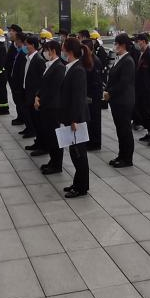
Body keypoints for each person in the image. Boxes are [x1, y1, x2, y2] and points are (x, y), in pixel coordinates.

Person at [59, 38, 92, 198]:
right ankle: (78, 182)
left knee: (79, 154)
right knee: (74, 152)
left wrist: (74, 120)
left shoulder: (78, 69)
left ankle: (81, 187)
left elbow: (78, 98)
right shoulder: (71, 67)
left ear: (69, 50)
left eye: (63, 47)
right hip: (71, 117)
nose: (62, 50)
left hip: (76, 119)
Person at [104, 34, 136, 168]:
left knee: (125, 130)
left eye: (117, 44)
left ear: (123, 45)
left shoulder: (128, 60)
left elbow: (124, 82)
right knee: (120, 130)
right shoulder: (120, 58)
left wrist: (110, 92)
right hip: (117, 101)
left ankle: (127, 158)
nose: (115, 46)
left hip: (123, 101)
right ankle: (121, 155)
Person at [34, 40, 65, 171]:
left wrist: (41, 102)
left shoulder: (59, 67)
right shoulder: (50, 65)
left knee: (54, 136)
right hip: (46, 105)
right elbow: (43, 85)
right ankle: (52, 161)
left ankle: (57, 164)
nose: (45, 53)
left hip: (53, 107)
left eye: (47, 50)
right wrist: (37, 96)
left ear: (53, 51)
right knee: (49, 135)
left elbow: (53, 90)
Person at [134, 33, 150, 146]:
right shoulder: (141, 53)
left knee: (148, 111)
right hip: (140, 87)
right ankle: (149, 132)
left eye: (138, 41)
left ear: (144, 41)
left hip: (147, 88)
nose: (136, 44)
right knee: (142, 110)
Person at [22, 36, 45, 148]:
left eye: (27, 44)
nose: (25, 46)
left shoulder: (38, 60)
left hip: (34, 95)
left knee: (37, 120)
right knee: (32, 118)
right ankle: (38, 141)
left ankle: (40, 143)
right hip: (27, 92)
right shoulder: (28, 58)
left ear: (33, 45)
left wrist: (37, 95)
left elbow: (42, 81)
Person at [82, 39, 103, 150]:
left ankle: (95, 143)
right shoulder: (85, 59)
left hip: (93, 95)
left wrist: (89, 96)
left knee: (94, 119)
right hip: (87, 94)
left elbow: (96, 81)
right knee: (88, 118)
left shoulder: (95, 61)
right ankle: (89, 140)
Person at [9, 33, 28, 130]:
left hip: (19, 84)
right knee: (18, 102)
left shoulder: (23, 53)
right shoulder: (19, 51)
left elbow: (22, 71)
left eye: (16, 40)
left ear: (19, 41)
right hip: (15, 82)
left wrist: (19, 84)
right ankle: (20, 117)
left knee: (21, 103)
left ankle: (23, 119)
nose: (15, 42)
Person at [6, 25, 24, 125]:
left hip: (18, 78)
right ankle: (20, 116)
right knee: (16, 98)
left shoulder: (22, 47)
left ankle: (22, 118)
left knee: (19, 99)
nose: (9, 33)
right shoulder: (13, 45)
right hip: (12, 77)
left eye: (11, 31)